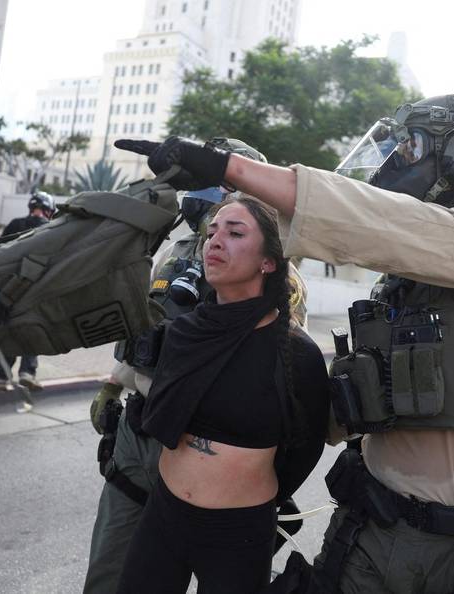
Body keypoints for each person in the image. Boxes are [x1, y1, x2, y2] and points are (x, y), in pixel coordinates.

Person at [116, 93, 454, 593]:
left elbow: (371, 221)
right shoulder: (400, 282)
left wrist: (226, 168)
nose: (394, 161)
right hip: (367, 530)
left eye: (408, 147)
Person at [83, 140, 315, 594]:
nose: (217, 241)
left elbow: (295, 432)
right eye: (214, 231)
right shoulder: (173, 258)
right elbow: (144, 335)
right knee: (110, 574)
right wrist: (116, 386)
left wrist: (243, 479)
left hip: (234, 513)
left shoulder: (287, 324)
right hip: (145, 453)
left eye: (234, 231)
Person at [0, 191, 55, 391]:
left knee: (8, 331)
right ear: (48, 211)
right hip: (35, 291)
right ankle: (27, 372)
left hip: (8, 290)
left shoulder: (14, 224)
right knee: (32, 330)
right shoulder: (51, 229)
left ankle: (2, 377)